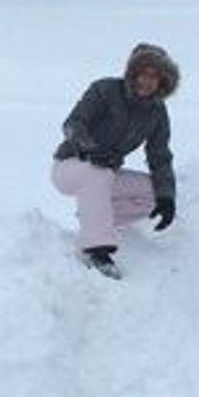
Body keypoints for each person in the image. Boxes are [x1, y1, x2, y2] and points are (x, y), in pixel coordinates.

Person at [50, 42, 180, 279]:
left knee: (152, 193)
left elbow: (160, 156)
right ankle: (96, 251)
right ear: (132, 73)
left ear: (162, 80)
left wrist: (167, 197)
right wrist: (90, 150)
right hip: (69, 167)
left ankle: (93, 221)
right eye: (143, 73)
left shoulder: (157, 113)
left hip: (105, 176)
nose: (147, 80)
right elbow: (73, 124)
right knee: (97, 173)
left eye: (154, 76)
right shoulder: (105, 90)